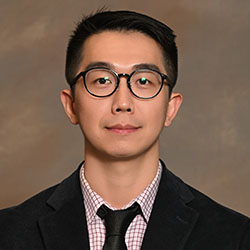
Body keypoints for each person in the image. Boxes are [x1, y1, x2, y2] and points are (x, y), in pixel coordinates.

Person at [0, 10, 249, 250]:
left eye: (143, 81)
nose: (122, 103)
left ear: (171, 108)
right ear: (71, 105)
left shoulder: (235, 236)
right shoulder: (8, 233)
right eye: (102, 80)